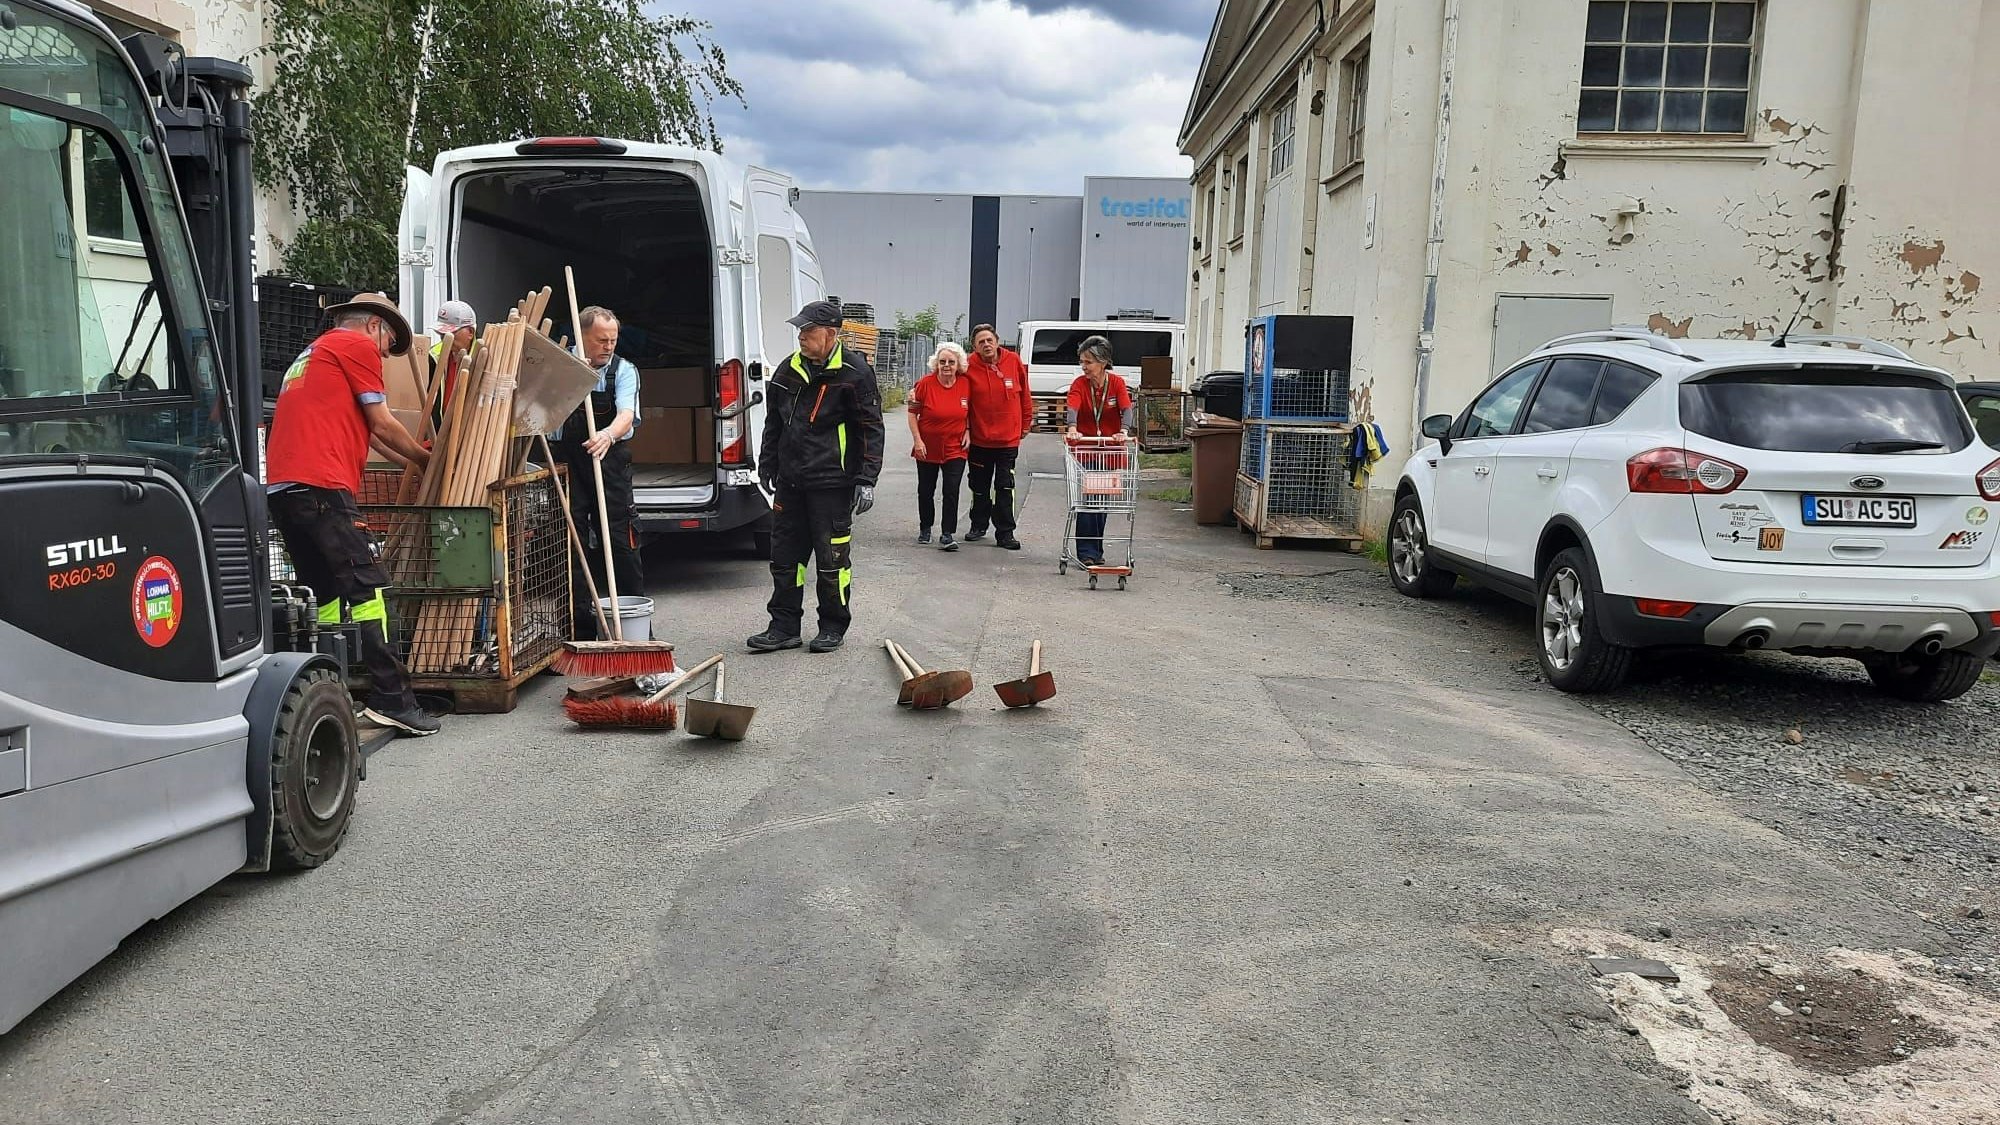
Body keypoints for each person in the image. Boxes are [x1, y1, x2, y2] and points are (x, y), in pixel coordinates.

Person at [265, 293, 440, 736]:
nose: (384, 353)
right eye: (388, 343)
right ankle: (393, 700)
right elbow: (382, 423)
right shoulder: (355, 346)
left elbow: (372, 435)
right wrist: (426, 460)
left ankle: (330, 693)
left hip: (286, 489)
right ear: (373, 327)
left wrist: (413, 463)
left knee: (323, 593)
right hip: (323, 485)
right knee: (368, 589)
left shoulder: (313, 354)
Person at [749, 300, 885, 653]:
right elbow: (773, 423)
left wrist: (866, 479)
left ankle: (832, 626)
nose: (801, 337)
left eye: (808, 331)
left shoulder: (855, 373)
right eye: (800, 331)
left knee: (832, 561)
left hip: (832, 486)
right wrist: (767, 465)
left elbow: (870, 428)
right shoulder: (788, 369)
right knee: (785, 559)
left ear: (831, 333)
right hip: (791, 484)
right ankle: (783, 627)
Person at [551, 306, 643, 637]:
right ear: (581, 337)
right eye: (601, 340)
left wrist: (607, 434)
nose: (608, 346)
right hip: (567, 466)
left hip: (610, 463)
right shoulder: (559, 364)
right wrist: (575, 378)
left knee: (620, 539)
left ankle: (632, 627)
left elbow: (626, 415)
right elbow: (540, 412)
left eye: (613, 340)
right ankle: (579, 629)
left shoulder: (624, 370)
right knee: (570, 540)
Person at [1065, 334, 1135, 567]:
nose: (1084, 367)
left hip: (1109, 451)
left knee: (1101, 502)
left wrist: (1123, 431)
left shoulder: (1116, 383)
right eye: (1082, 362)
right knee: (1087, 500)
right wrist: (1073, 428)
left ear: (1103, 362)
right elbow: (1073, 405)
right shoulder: (1079, 385)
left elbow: (1126, 409)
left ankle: (1096, 548)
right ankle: (1086, 551)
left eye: (1088, 362)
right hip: (1085, 452)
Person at [962, 324, 1034, 550]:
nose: (986, 345)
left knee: (1004, 486)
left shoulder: (1013, 361)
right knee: (979, 485)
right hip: (980, 439)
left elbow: (1025, 394)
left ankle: (1005, 533)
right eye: (981, 342)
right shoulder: (967, 366)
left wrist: (1026, 422)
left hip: (1007, 439)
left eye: (989, 340)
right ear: (974, 346)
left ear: (997, 341)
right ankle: (978, 524)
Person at [907, 342, 972, 550]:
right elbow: (912, 413)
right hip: (927, 446)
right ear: (936, 363)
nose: (946, 366)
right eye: (942, 361)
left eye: (951, 362)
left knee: (951, 490)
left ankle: (947, 533)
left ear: (958, 365)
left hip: (956, 447)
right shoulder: (925, 384)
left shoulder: (965, 384)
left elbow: (971, 411)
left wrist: (969, 430)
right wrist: (917, 440)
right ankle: (925, 528)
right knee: (926, 490)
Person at [427, 300, 478, 433]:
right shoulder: (433, 356)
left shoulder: (484, 360)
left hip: (470, 437)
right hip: (440, 437)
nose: (445, 338)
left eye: (451, 333)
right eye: (442, 334)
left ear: (470, 332)